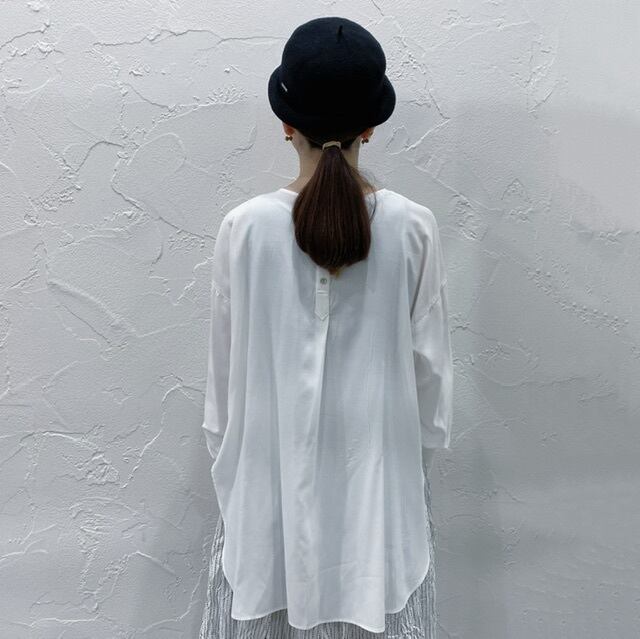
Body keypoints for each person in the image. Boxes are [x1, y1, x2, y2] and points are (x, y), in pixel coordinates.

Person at [199, 16, 453, 639]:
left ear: (287, 124)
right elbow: (432, 388)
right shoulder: (413, 228)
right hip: (381, 516)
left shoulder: (244, 229)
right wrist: (405, 470)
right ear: (371, 127)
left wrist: (239, 473)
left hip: (266, 511)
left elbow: (222, 395)